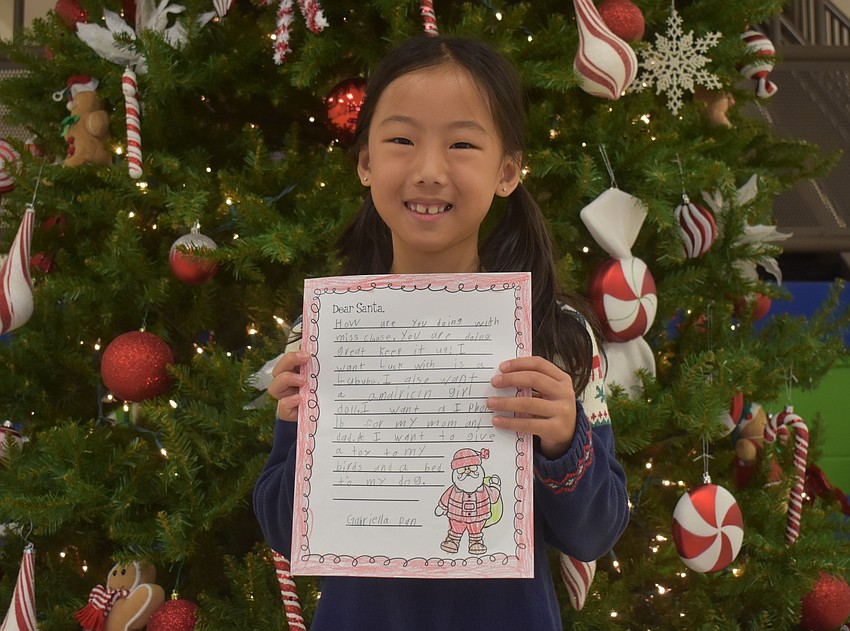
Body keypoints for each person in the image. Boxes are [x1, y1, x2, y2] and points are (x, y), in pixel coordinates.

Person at [254, 35, 628, 630]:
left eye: (461, 144)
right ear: (366, 162)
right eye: (401, 140)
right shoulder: (323, 332)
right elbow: (281, 524)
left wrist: (563, 440)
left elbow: (595, 531)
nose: (429, 171)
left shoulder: (556, 337)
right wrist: (294, 429)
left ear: (508, 170)